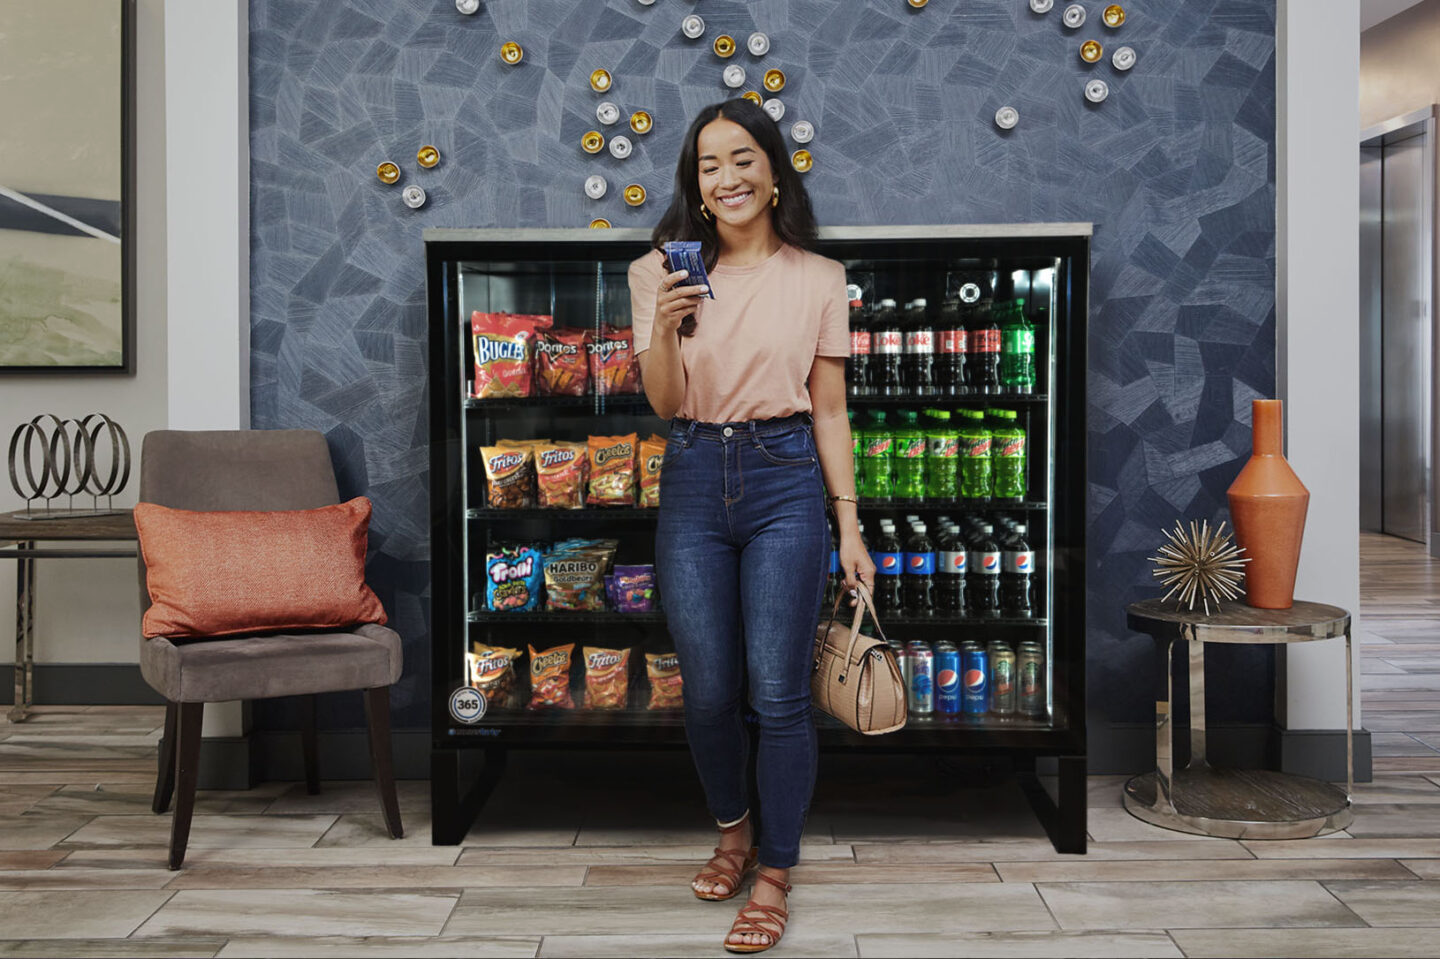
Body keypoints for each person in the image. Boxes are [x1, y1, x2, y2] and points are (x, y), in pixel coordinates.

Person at [628, 99, 875, 954]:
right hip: (693, 474)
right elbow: (663, 402)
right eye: (708, 164)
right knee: (707, 691)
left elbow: (832, 412)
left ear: (774, 171)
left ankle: (773, 870)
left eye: (743, 159)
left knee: (777, 693)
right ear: (694, 185)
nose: (726, 177)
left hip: (784, 481)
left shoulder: (818, 277)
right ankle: (732, 830)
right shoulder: (658, 271)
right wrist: (662, 325)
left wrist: (850, 524)